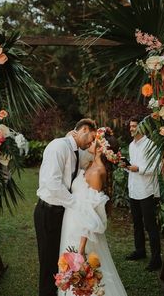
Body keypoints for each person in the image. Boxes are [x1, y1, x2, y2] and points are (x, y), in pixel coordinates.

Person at [59, 127, 127, 296]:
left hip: (82, 231)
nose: (90, 140)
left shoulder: (97, 172)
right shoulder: (89, 163)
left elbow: (91, 213)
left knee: (82, 273)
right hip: (71, 221)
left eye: (94, 138)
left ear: (101, 147)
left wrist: (81, 248)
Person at [34, 118, 97, 296]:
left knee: (57, 258)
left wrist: (103, 139)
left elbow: (89, 159)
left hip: (61, 211)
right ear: (84, 129)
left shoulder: (77, 149)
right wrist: (76, 204)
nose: (91, 142)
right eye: (91, 137)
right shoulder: (58, 147)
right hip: (48, 211)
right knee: (47, 261)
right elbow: (52, 184)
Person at [121, 116, 162, 272]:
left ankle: (156, 259)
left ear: (143, 128)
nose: (131, 128)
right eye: (130, 126)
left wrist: (137, 169)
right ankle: (140, 251)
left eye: (134, 126)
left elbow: (156, 169)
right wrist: (125, 166)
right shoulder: (132, 145)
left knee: (150, 226)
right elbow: (133, 167)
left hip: (147, 191)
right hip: (134, 190)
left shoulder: (151, 145)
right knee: (137, 223)